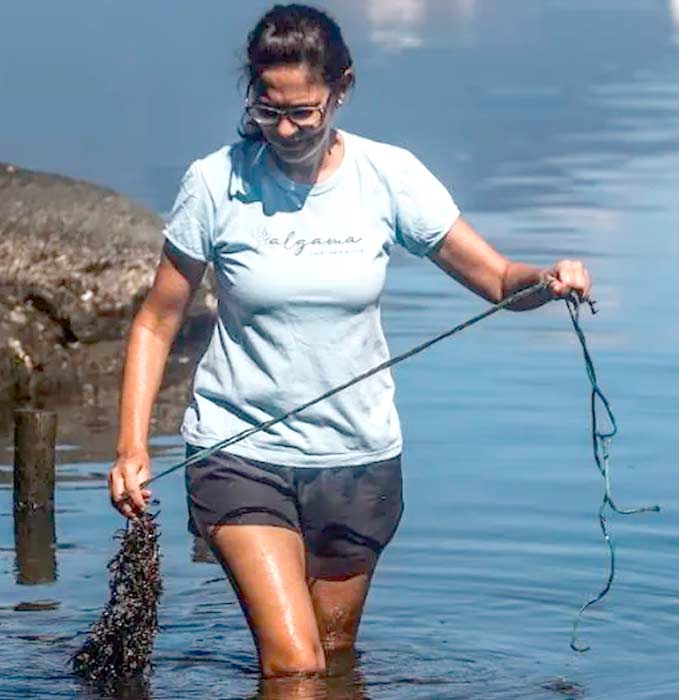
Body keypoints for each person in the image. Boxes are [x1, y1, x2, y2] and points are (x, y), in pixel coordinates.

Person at [107, 3, 591, 680]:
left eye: (303, 111)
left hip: (358, 461)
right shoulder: (216, 183)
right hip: (240, 451)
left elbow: (497, 278)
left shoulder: (388, 177)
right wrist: (132, 447)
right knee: (295, 665)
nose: (284, 128)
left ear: (342, 90)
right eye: (268, 108)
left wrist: (547, 280)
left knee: (334, 664)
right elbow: (156, 320)